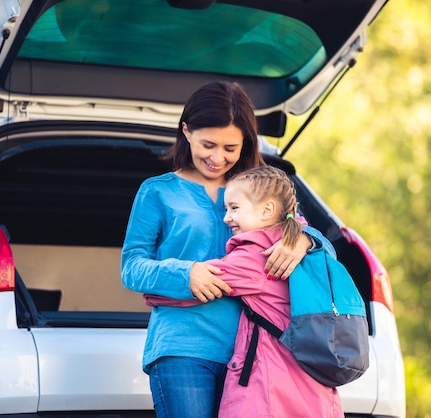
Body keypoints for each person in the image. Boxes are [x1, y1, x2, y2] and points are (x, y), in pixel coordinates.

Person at [120, 81, 315, 418]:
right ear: (186, 131)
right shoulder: (157, 192)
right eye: (208, 144)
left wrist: (304, 240)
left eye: (230, 148)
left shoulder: (258, 192)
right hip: (182, 349)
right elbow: (132, 267)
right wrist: (186, 273)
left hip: (254, 353)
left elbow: (310, 238)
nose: (217, 157)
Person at [144, 165, 345, 418]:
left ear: (267, 210)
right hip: (307, 376)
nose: (226, 217)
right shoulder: (302, 246)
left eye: (234, 208)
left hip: (273, 376)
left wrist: (152, 293)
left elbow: (198, 283)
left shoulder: (256, 255)